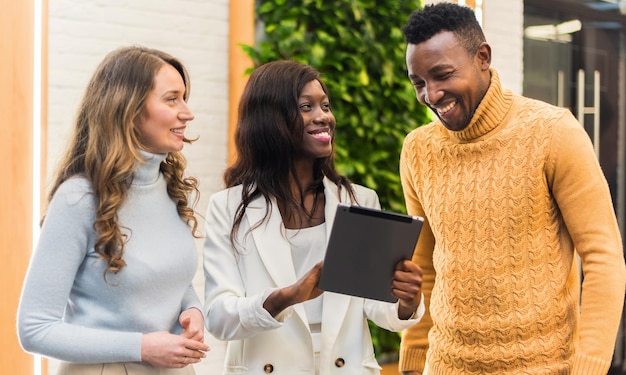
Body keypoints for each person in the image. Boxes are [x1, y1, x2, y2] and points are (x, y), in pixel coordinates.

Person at [397, 3, 626, 375]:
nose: (432, 95)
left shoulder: (553, 133)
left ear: (482, 57)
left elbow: (604, 259)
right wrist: (413, 360)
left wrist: (589, 367)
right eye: (419, 83)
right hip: (446, 366)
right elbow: (423, 265)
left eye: (442, 75)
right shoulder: (418, 150)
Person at [202, 60, 425, 374]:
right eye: (306, 107)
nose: (323, 117)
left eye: (325, 106)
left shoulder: (359, 200)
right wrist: (286, 297)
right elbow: (218, 317)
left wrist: (406, 299)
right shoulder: (228, 208)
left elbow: (378, 308)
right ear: (270, 119)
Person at [17, 46, 209, 374]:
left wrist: (192, 309)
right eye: (172, 99)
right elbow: (35, 328)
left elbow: (166, 278)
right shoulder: (79, 197)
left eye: (184, 98)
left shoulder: (166, 186)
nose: (187, 113)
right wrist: (142, 347)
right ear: (129, 109)